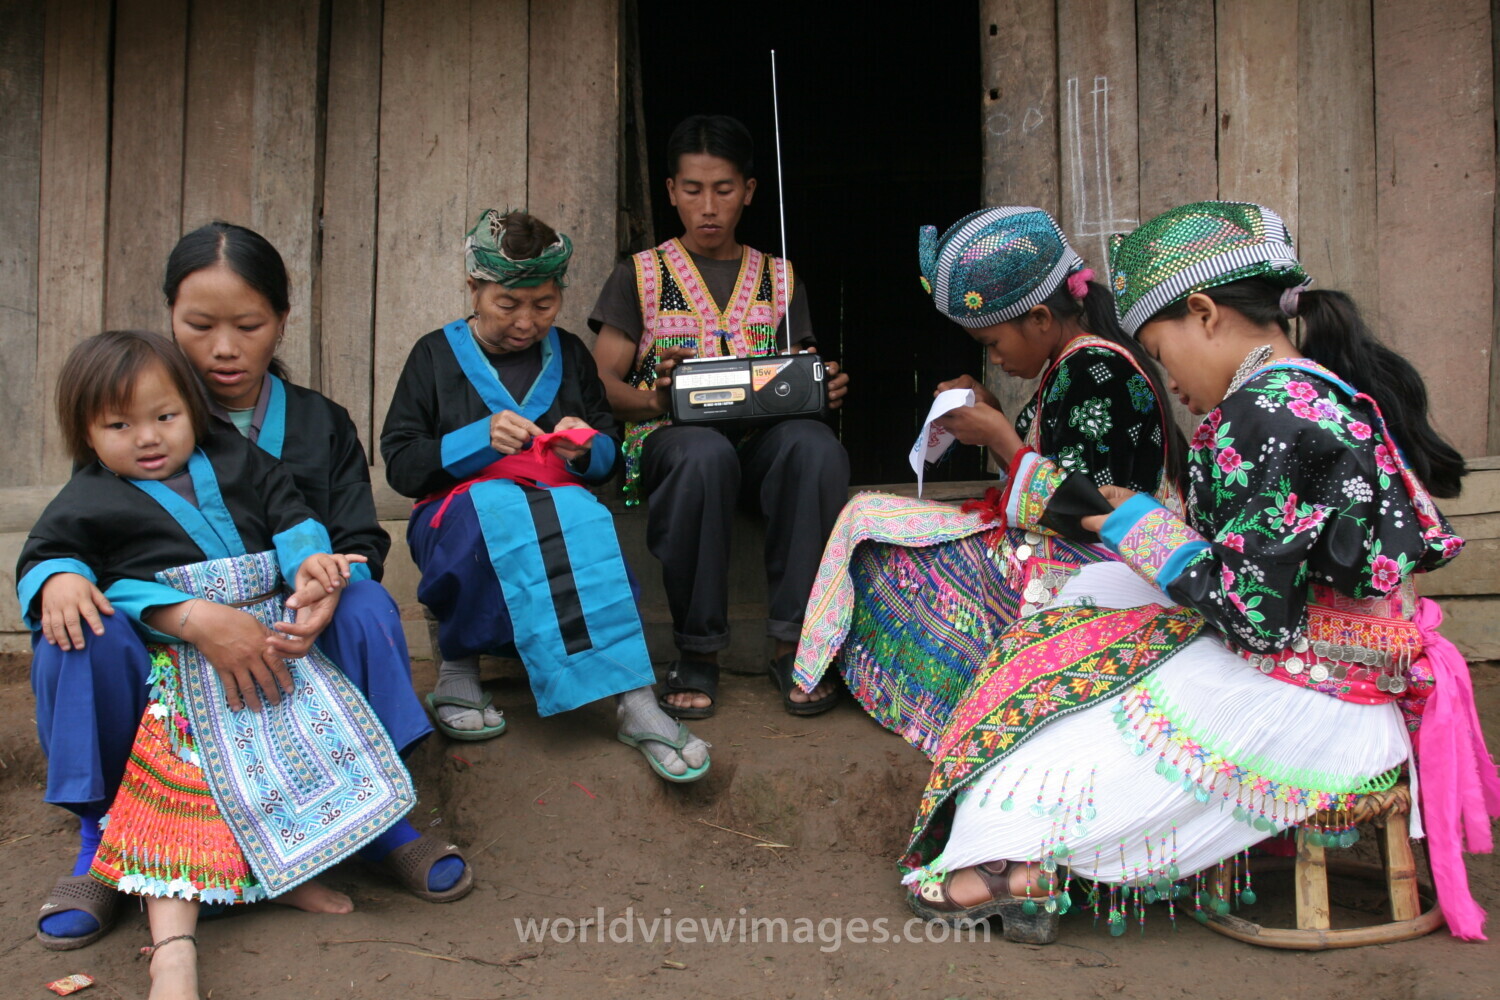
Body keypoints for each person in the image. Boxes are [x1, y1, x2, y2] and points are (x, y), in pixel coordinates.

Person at [899, 201, 1500, 944]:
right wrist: (1127, 521)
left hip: (1318, 703)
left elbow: (1256, 616)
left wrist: (1127, 521)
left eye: (1159, 346)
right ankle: (1033, 852)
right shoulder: (1297, 391)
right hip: (1327, 671)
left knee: (1062, 708)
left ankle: (1028, 862)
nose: (1166, 376)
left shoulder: (1263, 416)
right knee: (1078, 617)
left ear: (1207, 314)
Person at [29, 224, 466, 953]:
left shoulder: (314, 424)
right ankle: (105, 841)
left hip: (292, 629)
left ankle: (380, 816)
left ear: (282, 322)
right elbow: (73, 539)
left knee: (363, 605)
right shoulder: (131, 420)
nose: (223, 347)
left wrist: (325, 581)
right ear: (168, 321)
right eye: (199, 326)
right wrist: (68, 579)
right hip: (170, 646)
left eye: (249, 325)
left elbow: (352, 535)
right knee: (75, 632)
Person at [794, 207, 1182, 755]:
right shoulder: (1073, 361)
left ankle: (950, 699)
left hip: (1111, 568)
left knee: (871, 524)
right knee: (869, 520)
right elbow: (1056, 472)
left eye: (995, 343)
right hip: (1069, 546)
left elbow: (1095, 513)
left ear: (1042, 318)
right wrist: (996, 414)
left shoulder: (1097, 368)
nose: (994, 356)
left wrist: (1002, 437)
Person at [382, 208, 710, 782]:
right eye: (507, 304)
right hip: (459, 509)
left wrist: (584, 452)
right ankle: (458, 669)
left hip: (557, 503)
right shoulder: (432, 356)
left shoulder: (572, 356)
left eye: (544, 304)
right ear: (474, 288)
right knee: (493, 515)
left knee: (585, 520)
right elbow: (403, 464)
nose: (527, 321)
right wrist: (475, 439)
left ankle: (634, 701)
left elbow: (608, 450)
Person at [590, 113, 851, 718]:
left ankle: (794, 643)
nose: (708, 207)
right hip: (675, 446)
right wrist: (658, 399)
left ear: (750, 191)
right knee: (700, 451)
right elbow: (601, 384)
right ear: (670, 191)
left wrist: (823, 387)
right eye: (692, 190)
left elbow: (802, 367)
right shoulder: (641, 275)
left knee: (813, 445)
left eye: (724, 190)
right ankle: (698, 650)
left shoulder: (780, 278)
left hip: (762, 447)